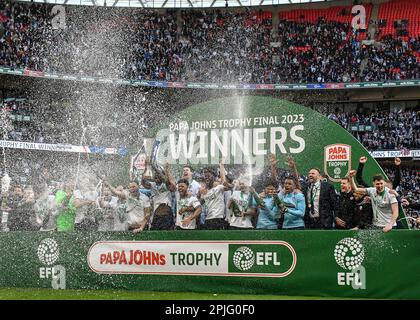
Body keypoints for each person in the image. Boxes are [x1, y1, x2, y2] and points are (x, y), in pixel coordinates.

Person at [199, 160, 229, 230]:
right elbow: (200, 203)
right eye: (205, 176)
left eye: (208, 176)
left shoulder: (219, 187)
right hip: (208, 219)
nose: (206, 177)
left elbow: (225, 184)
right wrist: (200, 194)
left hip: (218, 218)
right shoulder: (205, 191)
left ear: (213, 176)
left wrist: (221, 165)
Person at [149, 163, 177, 231]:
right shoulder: (152, 186)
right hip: (155, 216)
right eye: (155, 174)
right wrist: (148, 166)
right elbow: (143, 181)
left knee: (167, 236)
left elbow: (169, 183)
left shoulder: (167, 186)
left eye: (158, 174)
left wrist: (166, 169)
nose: (157, 175)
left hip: (166, 216)